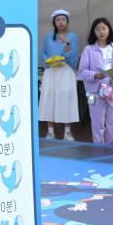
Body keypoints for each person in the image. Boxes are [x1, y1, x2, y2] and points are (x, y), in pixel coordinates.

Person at [79, 17, 113, 146]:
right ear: (94, 32)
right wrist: (95, 75)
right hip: (94, 92)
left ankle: (108, 147)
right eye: (98, 29)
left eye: (104, 28)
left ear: (109, 30)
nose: (101, 32)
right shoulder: (88, 49)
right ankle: (99, 150)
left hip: (111, 91)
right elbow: (81, 71)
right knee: (97, 123)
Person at [39, 9, 80, 141]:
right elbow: (43, 53)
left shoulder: (73, 37)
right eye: (58, 20)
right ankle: (50, 131)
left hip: (65, 71)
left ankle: (67, 131)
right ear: (54, 23)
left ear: (67, 22)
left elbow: (73, 56)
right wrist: (48, 60)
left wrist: (66, 42)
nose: (61, 22)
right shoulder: (47, 37)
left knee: (65, 97)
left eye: (63, 19)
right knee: (49, 97)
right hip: (51, 71)